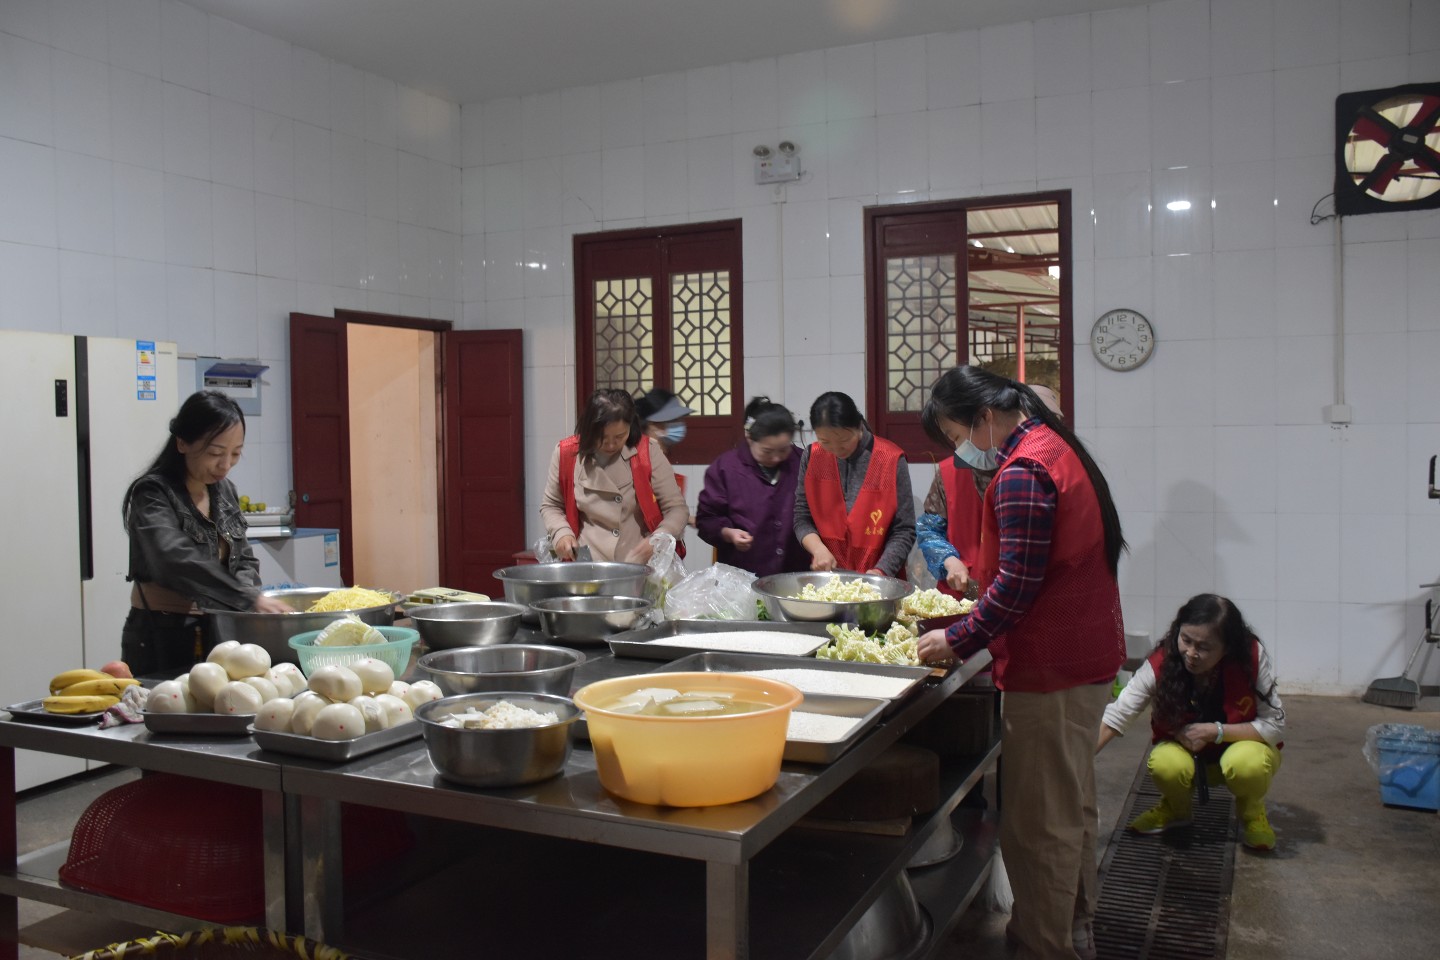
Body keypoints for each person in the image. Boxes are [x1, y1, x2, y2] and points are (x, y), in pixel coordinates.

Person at [914, 366, 1125, 960]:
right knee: (1071, 803)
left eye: (957, 435)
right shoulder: (1055, 446)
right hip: (1084, 654)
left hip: (1050, 665)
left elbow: (1016, 589)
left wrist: (958, 637)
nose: (959, 449)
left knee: (1038, 821)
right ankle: (1074, 926)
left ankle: (1042, 944)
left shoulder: (1022, 473)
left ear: (984, 417)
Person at [122, 390, 292, 677]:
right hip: (162, 632)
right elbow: (174, 558)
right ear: (182, 443)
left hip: (219, 630)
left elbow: (243, 558)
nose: (225, 465)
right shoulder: (152, 493)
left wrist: (250, 601)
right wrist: (245, 598)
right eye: (215, 453)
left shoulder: (224, 491)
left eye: (235, 454)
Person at [1097, 594, 1285, 851]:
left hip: (1239, 749)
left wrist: (1216, 732)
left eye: (1204, 647)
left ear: (1227, 647)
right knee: (1165, 764)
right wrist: (1077, 762)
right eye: (1186, 640)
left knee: (1249, 764)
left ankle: (1252, 814)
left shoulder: (1250, 656)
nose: (1192, 654)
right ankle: (1177, 810)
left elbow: (1275, 725)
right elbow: (1118, 715)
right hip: (1186, 753)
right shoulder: (1163, 661)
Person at [916, 382, 1063, 597]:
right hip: (962, 595)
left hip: (1020, 596)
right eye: (954, 437)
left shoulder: (1032, 472)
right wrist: (949, 559)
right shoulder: (948, 474)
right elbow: (929, 529)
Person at [541, 388, 688, 564]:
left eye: (620, 436)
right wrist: (561, 533)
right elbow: (551, 505)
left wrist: (659, 538)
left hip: (637, 563)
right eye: (602, 437)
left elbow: (677, 508)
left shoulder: (647, 452)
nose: (611, 444)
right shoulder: (566, 453)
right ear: (588, 428)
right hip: (587, 563)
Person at [792, 392, 915, 577]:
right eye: (825, 441)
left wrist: (881, 570)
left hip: (881, 578)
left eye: (843, 440)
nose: (835, 449)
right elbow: (802, 517)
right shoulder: (812, 457)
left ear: (858, 426)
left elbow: (904, 529)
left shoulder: (890, 459)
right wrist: (818, 549)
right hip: (830, 579)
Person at [695, 397, 808, 576]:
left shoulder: (803, 462)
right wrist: (728, 533)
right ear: (749, 438)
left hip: (796, 572)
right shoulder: (726, 467)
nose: (776, 457)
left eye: (783, 449)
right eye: (767, 451)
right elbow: (706, 519)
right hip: (743, 574)